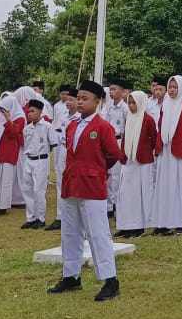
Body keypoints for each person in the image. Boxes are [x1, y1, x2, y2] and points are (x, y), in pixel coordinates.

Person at [48, 79, 125, 302]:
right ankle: (71, 275)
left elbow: (113, 155)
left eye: (85, 99)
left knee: (97, 233)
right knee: (70, 233)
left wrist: (97, 170)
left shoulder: (103, 127)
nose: (79, 103)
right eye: (78, 98)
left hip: (92, 185)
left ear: (98, 101)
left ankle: (110, 279)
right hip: (71, 184)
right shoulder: (72, 125)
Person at [151, 75, 182, 235]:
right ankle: (163, 222)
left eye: (174, 87)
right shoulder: (165, 106)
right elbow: (160, 126)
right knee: (164, 187)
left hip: (181, 153)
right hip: (166, 151)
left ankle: (180, 222)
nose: (171, 90)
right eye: (170, 87)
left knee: (180, 187)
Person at [116, 89, 157, 237]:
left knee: (140, 194)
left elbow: (154, 139)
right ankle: (125, 225)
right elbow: (126, 137)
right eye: (130, 102)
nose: (132, 106)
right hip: (129, 161)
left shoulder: (148, 119)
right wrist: (123, 154)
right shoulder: (129, 118)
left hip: (142, 162)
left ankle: (138, 226)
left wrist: (143, 151)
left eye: (134, 103)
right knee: (126, 193)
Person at [21, 97, 58, 230]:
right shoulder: (27, 128)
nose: (29, 114)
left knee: (38, 191)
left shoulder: (47, 126)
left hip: (41, 160)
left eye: (32, 111)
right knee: (27, 190)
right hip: (29, 160)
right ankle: (30, 218)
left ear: (40, 111)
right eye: (28, 111)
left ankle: (40, 218)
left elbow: (53, 143)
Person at [48, 86, 78, 231]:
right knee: (61, 184)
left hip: (72, 154)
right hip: (61, 151)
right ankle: (60, 217)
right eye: (67, 99)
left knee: (73, 186)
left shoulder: (79, 118)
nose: (67, 102)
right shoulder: (64, 115)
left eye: (71, 99)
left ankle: (71, 217)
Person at [103, 79, 130, 217]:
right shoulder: (107, 107)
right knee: (108, 175)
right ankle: (108, 206)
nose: (112, 92)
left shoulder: (125, 108)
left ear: (122, 91)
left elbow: (127, 127)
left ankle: (117, 204)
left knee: (117, 176)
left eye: (114, 89)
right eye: (111, 90)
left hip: (119, 141)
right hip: (108, 141)